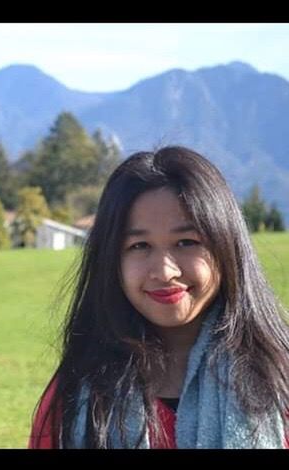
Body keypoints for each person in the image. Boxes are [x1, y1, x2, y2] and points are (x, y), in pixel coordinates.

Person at [29, 146, 289, 449]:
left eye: (186, 242)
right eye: (139, 246)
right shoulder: (75, 399)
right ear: (111, 260)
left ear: (226, 248)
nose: (165, 271)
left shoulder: (279, 384)